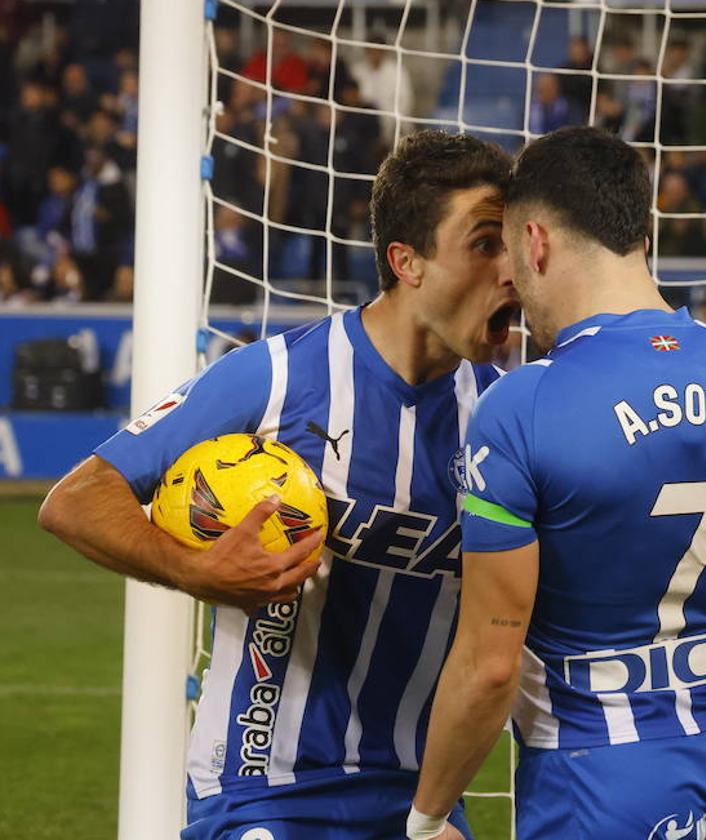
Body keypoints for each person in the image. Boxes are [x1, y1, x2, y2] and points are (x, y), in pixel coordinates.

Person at [38, 130, 520, 839]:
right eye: (485, 244)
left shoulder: (503, 418)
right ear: (406, 261)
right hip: (261, 791)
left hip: (418, 800)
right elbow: (77, 499)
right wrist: (200, 570)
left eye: (513, 243)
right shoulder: (275, 377)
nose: (511, 269)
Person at [406, 126, 706, 840]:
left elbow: (490, 666)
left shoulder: (522, 408)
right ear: (641, 233)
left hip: (597, 783)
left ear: (536, 243)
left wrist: (428, 821)